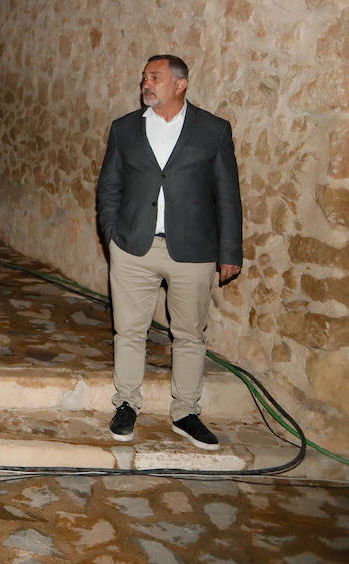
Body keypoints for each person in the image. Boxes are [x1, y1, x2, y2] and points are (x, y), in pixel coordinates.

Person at [97, 54, 243, 450]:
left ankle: (186, 412)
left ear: (180, 85)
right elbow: (109, 187)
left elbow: (227, 195)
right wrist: (113, 236)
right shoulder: (125, 128)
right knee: (129, 330)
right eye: (145, 77)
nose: (146, 83)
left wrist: (230, 251)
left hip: (193, 250)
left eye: (155, 77)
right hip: (133, 247)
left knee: (190, 334)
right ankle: (126, 403)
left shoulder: (212, 129)